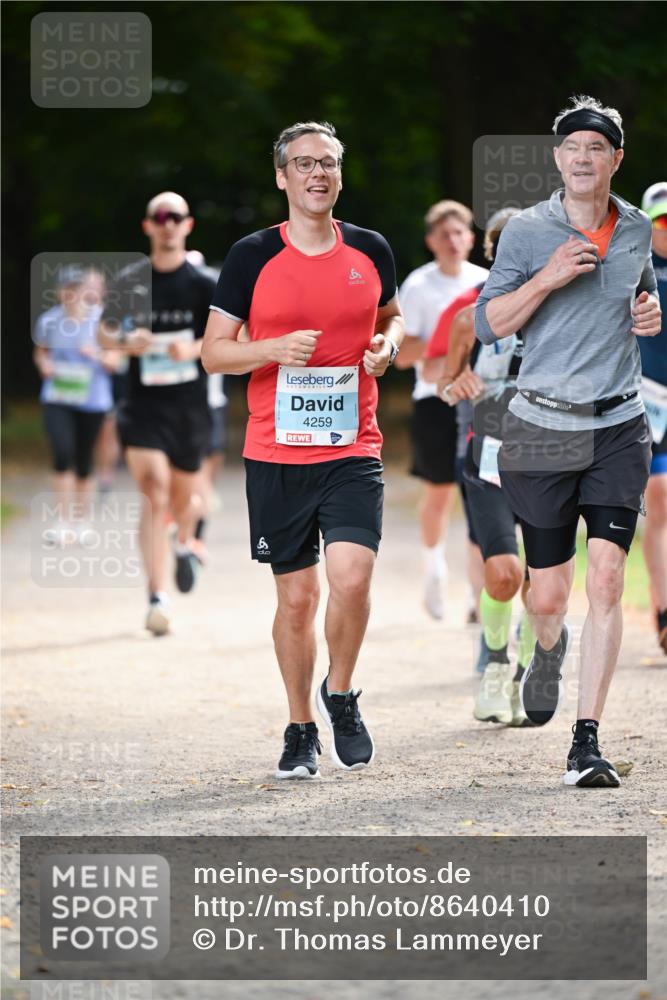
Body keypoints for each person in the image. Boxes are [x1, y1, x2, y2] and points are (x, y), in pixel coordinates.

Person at [202, 121, 403, 780]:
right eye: (303, 164)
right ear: (282, 177)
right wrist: (268, 349)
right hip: (275, 453)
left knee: (350, 577)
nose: (317, 174)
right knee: (295, 602)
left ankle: (340, 694)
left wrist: (388, 346)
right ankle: (299, 727)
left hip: (352, 447)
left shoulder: (370, 249)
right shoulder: (251, 255)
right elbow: (212, 352)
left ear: (339, 176)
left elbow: (390, 317)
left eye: (328, 163)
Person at [475, 96, 661, 787]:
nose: (583, 158)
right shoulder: (526, 231)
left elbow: (637, 297)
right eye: (572, 147)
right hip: (540, 429)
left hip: (616, 423)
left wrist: (647, 313)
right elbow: (488, 324)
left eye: (597, 147)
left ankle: (586, 741)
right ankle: (543, 647)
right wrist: (549, 274)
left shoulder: (637, 229)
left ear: (616, 159)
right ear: (556, 159)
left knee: (607, 576)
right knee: (548, 595)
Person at [426, 207, 537, 726]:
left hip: (554, 459)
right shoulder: (469, 315)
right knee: (504, 573)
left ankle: (526, 673)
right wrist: (459, 384)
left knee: (544, 580)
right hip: (488, 455)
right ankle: (495, 662)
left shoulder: (564, 312)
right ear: (491, 252)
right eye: (506, 246)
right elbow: (444, 382)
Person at [98, 192, 217, 635]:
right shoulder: (130, 281)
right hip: (142, 405)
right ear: (147, 225)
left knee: (185, 501)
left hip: (189, 408)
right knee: (154, 487)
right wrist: (124, 343)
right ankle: (156, 596)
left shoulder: (205, 283)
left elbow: (231, 338)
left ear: (188, 225)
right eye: (159, 217)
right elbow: (104, 331)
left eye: (176, 217)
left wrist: (190, 348)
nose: (168, 223)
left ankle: (183, 543)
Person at [395, 201, 488, 620]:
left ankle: (476, 595)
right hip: (434, 399)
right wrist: (441, 347)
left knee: (478, 495)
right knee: (439, 493)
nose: (453, 241)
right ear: (431, 241)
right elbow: (401, 353)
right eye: (444, 235)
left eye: (460, 233)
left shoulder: (487, 282)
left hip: (478, 400)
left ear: (472, 237)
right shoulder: (418, 287)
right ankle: (433, 565)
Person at [34, 266, 117, 544]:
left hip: (92, 399)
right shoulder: (49, 321)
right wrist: (44, 365)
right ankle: (62, 521)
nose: (71, 294)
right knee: (62, 453)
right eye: (66, 289)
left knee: (84, 460)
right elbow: (41, 352)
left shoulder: (102, 321)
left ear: (85, 291)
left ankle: (82, 521)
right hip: (58, 396)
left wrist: (94, 354)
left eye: (76, 288)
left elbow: (115, 362)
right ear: (59, 292)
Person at [638, 182, 667, 653]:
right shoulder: (633, 269)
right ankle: (663, 609)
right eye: (661, 221)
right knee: (660, 497)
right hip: (651, 400)